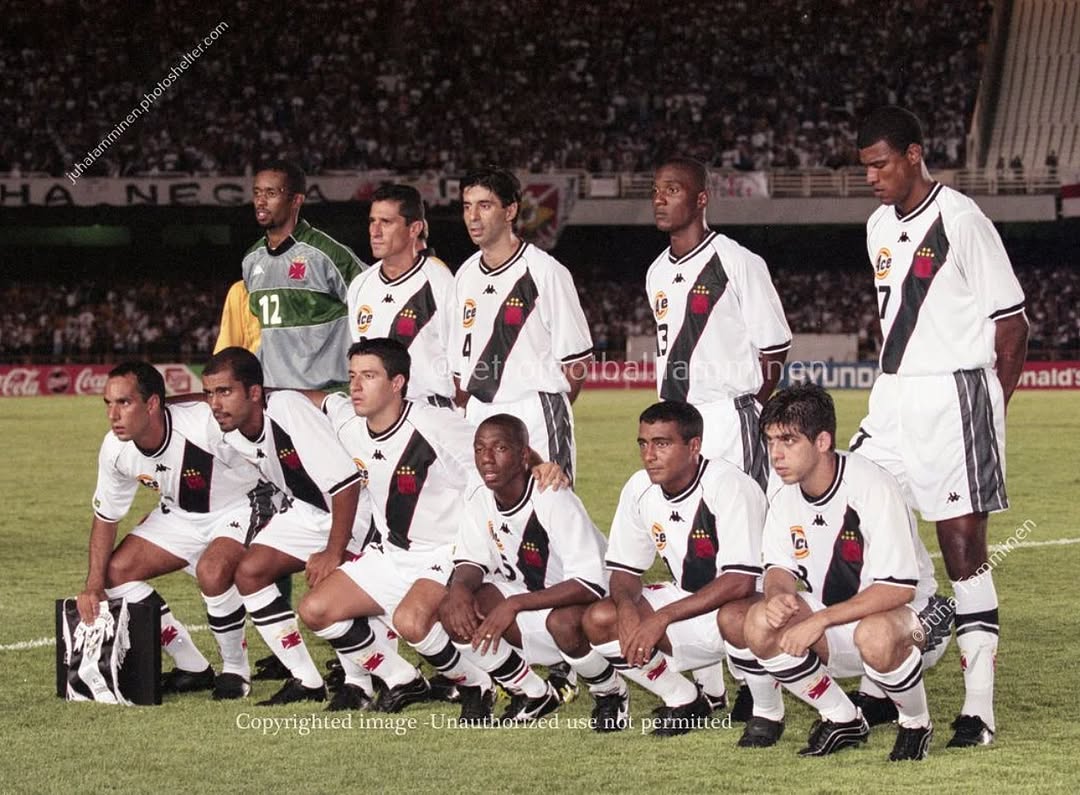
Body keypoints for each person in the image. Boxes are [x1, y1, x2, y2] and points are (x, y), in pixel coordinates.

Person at [852, 106, 1028, 747]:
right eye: (865, 168)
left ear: (914, 154)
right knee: (860, 521)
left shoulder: (962, 220)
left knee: (962, 550)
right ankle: (885, 681)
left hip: (957, 396)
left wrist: (989, 410)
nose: (871, 177)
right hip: (893, 397)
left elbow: (1013, 327)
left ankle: (978, 710)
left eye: (881, 164)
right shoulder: (876, 226)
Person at [744, 382, 952, 761]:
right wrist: (777, 596)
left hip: (916, 619)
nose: (775, 454)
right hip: (841, 620)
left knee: (875, 634)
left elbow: (898, 589)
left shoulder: (872, 486)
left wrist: (818, 620)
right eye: (770, 441)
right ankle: (842, 718)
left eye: (788, 441)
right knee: (759, 621)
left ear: (822, 441)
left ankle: (916, 724)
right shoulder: (785, 495)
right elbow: (778, 566)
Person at [295, 338, 496, 718]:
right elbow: (315, 400)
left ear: (397, 383)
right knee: (315, 609)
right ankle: (402, 677)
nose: (356, 386)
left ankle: (477, 684)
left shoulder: (433, 423)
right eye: (352, 376)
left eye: (369, 376)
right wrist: (259, 393)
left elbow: (497, 449)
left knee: (410, 622)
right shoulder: (349, 423)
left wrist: (540, 466)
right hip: (390, 553)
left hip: (444, 553)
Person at [582, 401, 780, 738]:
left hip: (750, 610)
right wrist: (627, 609)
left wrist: (661, 617)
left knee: (734, 616)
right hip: (689, 600)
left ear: (694, 446)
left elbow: (740, 582)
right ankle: (685, 700)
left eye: (662, 444)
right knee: (600, 618)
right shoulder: (639, 488)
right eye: (643, 443)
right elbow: (625, 571)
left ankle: (767, 711)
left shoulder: (729, 484)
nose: (649, 455)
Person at [76, 361, 266, 699]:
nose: (113, 415)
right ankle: (192, 666)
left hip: (238, 506)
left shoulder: (202, 423)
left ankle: (235, 669)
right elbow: (105, 517)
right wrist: (93, 584)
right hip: (180, 514)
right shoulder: (115, 448)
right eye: (108, 403)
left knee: (212, 571)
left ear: (151, 404)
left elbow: (260, 428)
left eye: (124, 402)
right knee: (114, 573)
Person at [199, 347, 374, 705]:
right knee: (250, 571)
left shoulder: (288, 409)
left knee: (331, 587)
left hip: (355, 509)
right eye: (209, 393)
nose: (215, 404)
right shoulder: (232, 431)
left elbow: (347, 484)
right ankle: (306, 681)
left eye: (224, 392)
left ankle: (359, 683)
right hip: (308, 510)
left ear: (254, 392)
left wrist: (333, 552)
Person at [440, 413, 624, 725]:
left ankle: (610, 691)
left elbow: (590, 584)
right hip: (533, 599)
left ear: (524, 455)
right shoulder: (480, 497)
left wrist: (514, 604)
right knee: (454, 609)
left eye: (499, 448)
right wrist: (458, 591)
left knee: (563, 623)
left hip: (590, 605)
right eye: (479, 449)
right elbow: (471, 561)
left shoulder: (551, 496)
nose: (486, 459)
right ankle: (532, 692)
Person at [647, 156, 791, 490]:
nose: (659, 199)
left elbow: (775, 345)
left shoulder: (736, 261)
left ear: (701, 199)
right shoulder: (656, 271)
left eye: (672, 190)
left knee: (741, 513)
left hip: (727, 418)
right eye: (655, 190)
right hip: (675, 420)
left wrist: (752, 407)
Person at [450, 166, 593, 482]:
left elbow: (578, 360)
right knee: (483, 508)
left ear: (510, 210)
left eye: (484, 205)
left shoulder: (545, 272)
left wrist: (547, 408)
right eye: (467, 206)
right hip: (479, 415)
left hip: (535, 415)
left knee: (548, 505)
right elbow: (460, 364)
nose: (473, 216)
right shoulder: (464, 275)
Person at [242, 160, 367, 389]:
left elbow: (374, 305)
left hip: (326, 394)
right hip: (275, 395)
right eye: (257, 192)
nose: (261, 201)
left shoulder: (327, 254)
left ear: (296, 200)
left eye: (271, 193)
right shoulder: (251, 260)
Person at [346, 185, 456, 407]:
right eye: (372, 221)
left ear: (414, 228)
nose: (375, 231)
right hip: (379, 412)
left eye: (386, 222)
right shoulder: (360, 285)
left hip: (430, 409)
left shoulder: (441, 283)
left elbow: (462, 362)